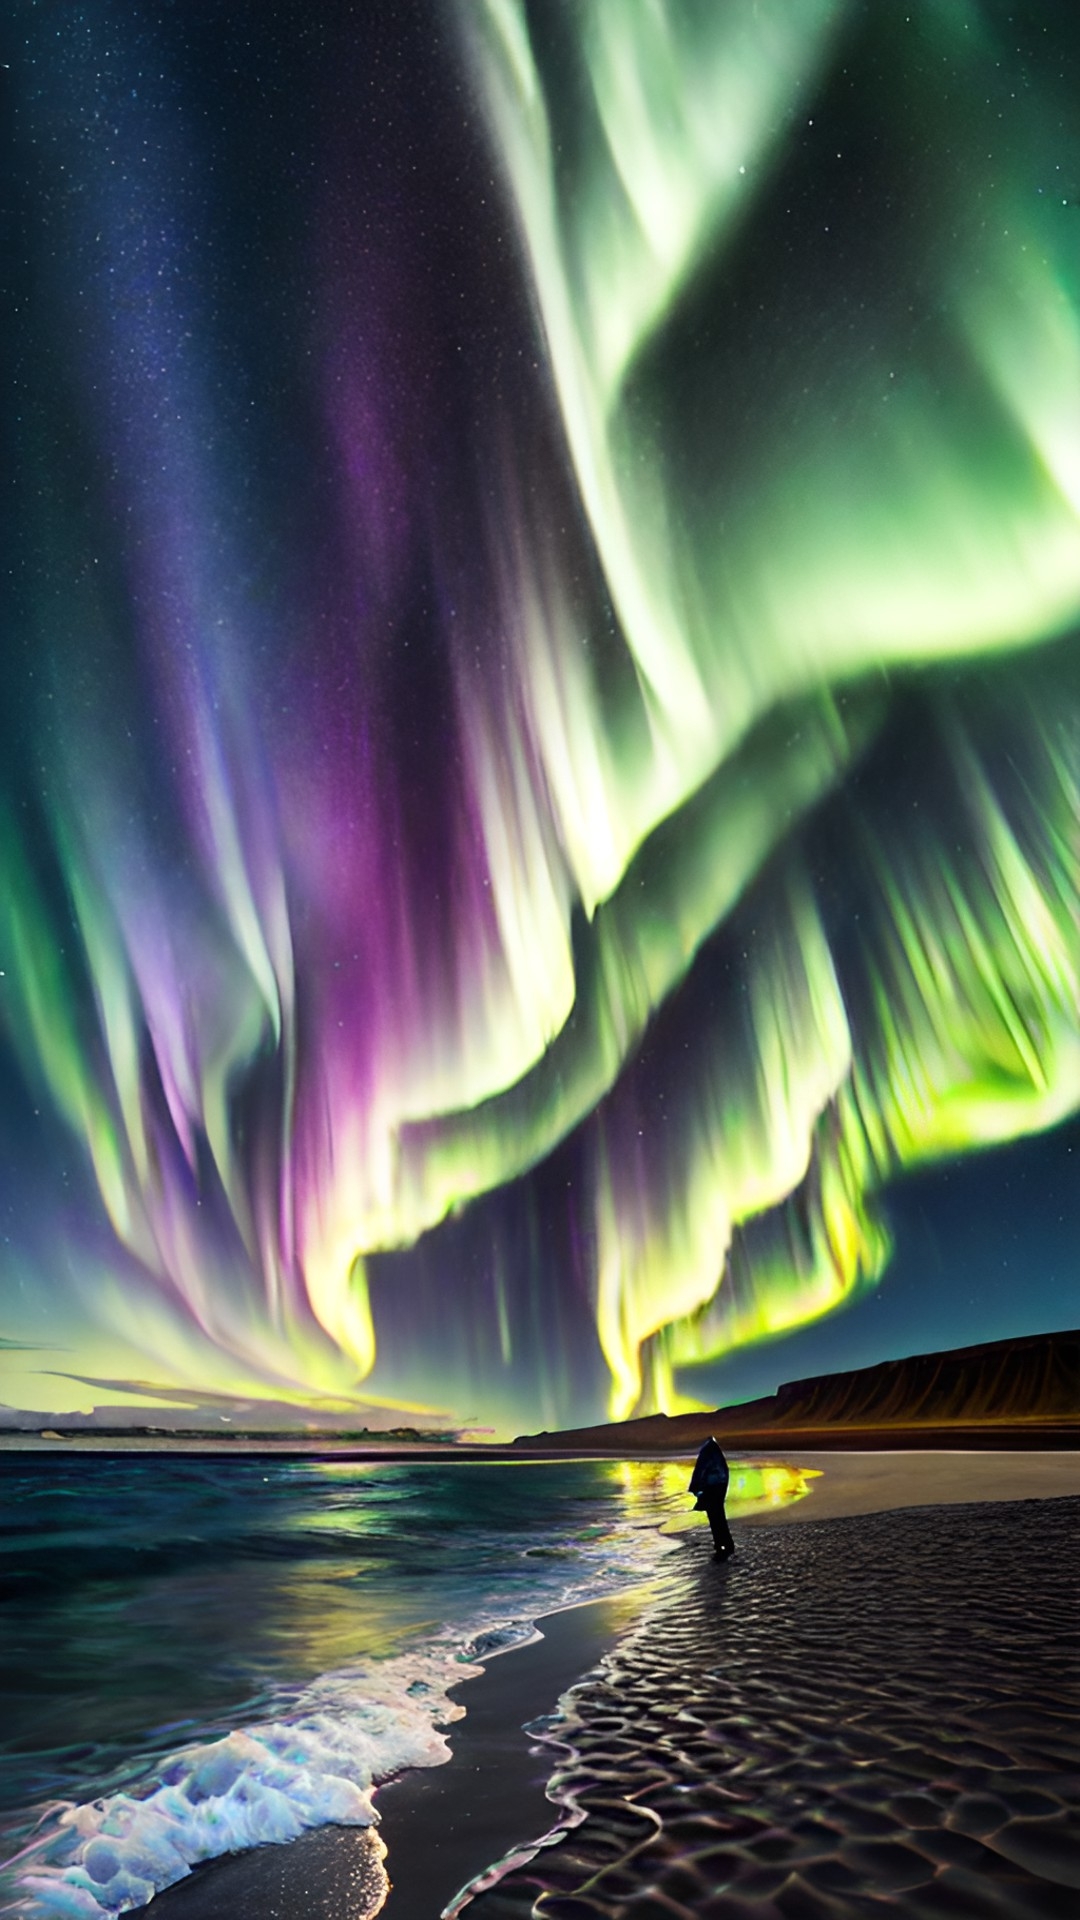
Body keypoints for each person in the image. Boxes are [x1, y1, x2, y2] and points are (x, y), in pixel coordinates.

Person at [690, 1436, 734, 1559]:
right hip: (719, 1485)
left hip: (713, 1487)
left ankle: (721, 1546)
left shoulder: (708, 1449)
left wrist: (695, 1487)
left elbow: (701, 1469)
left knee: (715, 1517)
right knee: (719, 1516)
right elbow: (724, 1470)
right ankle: (726, 1544)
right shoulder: (713, 1448)